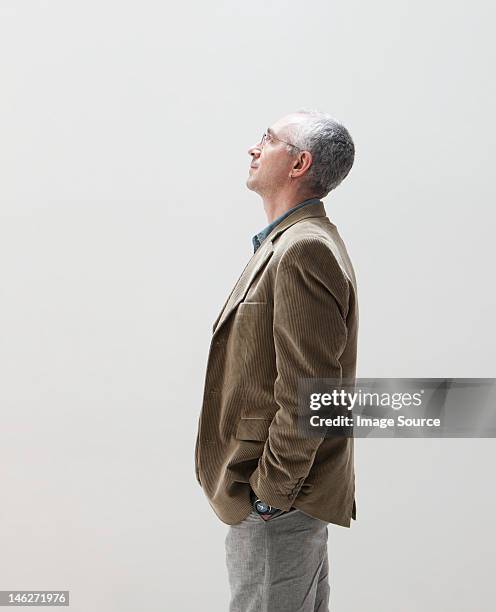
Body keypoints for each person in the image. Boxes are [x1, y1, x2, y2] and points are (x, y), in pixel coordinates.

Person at [194, 109, 358, 612]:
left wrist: (269, 494)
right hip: (280, 498)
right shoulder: (288, 244)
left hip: (277, 500)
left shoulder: (303, 249)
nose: (253, 148)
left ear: (299, 163)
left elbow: (311, 390)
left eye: (268, 139)